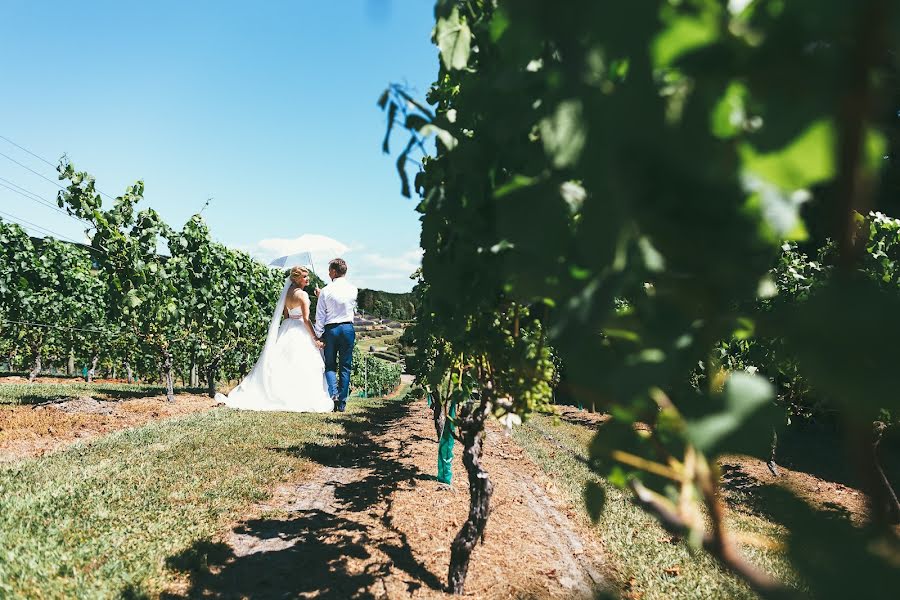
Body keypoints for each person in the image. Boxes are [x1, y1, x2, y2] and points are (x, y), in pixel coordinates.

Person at [215, 266, 332, 412]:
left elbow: (287, 316)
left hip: (288, 327)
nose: (307, 279)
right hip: (300, 328)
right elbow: (307, 319)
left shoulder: (287, 293)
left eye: (307, 276)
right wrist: (314, 337)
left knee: (284, 362)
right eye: (304, 277)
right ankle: (298, 395)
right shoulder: (302, 295)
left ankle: (283, 392)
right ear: (296, 279)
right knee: (304, 362)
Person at [314, 258, 358, 412]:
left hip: (331, 330)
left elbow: (320, 316)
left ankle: (334, 395)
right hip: (347, 328)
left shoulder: (326, 291)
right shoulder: (353, 289)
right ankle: (342, 403)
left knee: (330, 364)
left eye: (329, 270)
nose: (328, 273)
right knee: (345, 367)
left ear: (333, 271)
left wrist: (319, 334)